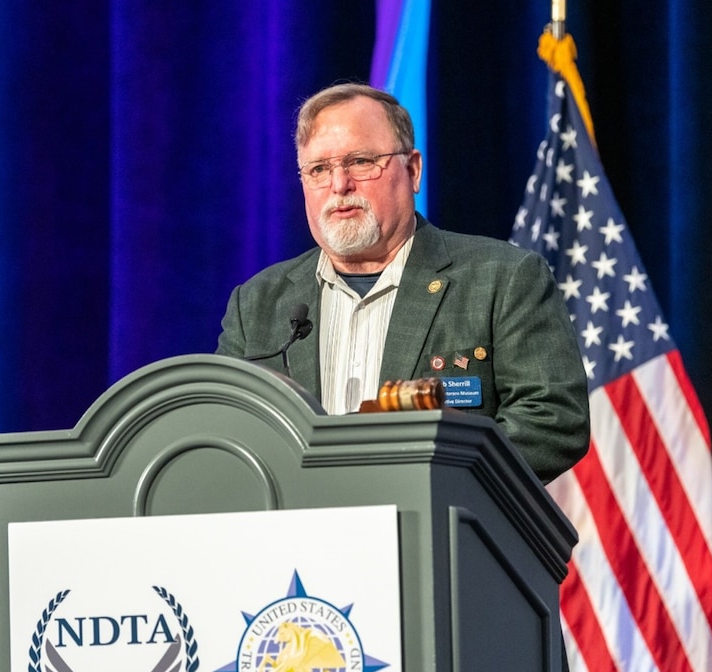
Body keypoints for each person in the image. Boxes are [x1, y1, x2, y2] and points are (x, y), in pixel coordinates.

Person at [215, 82, 588, 484]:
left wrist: (414, 477)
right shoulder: (256, 304)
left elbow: (553, 419)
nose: (339, 185)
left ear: (412, 170)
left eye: (360, 161)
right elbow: (225, 434)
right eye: (319, 169)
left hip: (440, 532)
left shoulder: (502, 277)